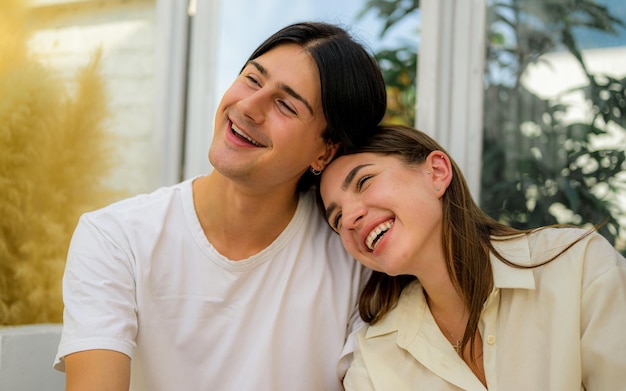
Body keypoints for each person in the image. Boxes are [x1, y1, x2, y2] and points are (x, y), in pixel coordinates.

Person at [54, 22, 387, 391]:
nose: (248, 107)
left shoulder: (354, 260)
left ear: (325, 151)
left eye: (285, 105)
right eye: (252, 79)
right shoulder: (115, 238)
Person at [318, 124, 626, 391]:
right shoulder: (373, 358)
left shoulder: (579, 266)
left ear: (437, 172)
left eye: (364, 181)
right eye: (337, 219)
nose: (349, 220)